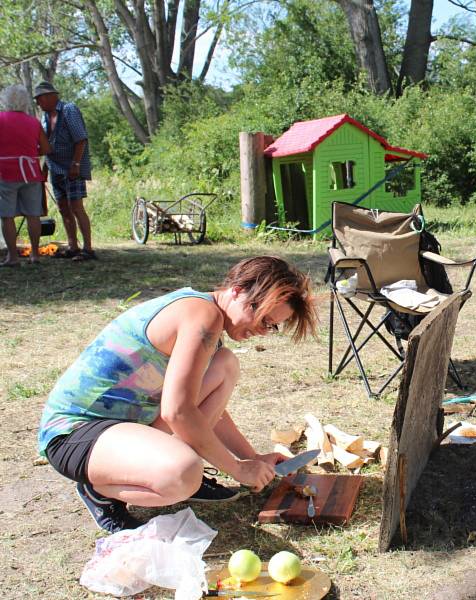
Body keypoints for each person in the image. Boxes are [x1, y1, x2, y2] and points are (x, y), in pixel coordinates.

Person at [37, 256, 317, 533]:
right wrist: (236, 469)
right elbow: (178, 412)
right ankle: (99, 491)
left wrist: (252, 458)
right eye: (262, 317)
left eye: (272, 325)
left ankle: (150, 466)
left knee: (225, 364)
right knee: (183, 474)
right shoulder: (202, 317)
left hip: (124, 428)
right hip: (75, 434)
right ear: (237, 290)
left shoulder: (211, 322)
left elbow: (202, 406)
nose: (262, 330)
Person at [32, 81, 95, 261]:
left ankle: (88, 248)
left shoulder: (68, 110)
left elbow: (81, 139)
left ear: (50, 96)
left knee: (76, 207)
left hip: (71, 167)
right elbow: (48, 146)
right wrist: (44, 168)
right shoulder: (45, 117)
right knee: (63, 208)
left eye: (39, 99)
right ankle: (72, 246)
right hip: (55, 168)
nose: (38, 103)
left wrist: (76, 164)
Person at [0, 84, 51, 266]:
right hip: (30, 171)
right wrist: (29, 150)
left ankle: (13, 256)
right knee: (33, 215)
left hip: (5, 172)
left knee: (7, 216)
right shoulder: (34, 122)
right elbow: (46, 149)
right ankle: (35, 254)